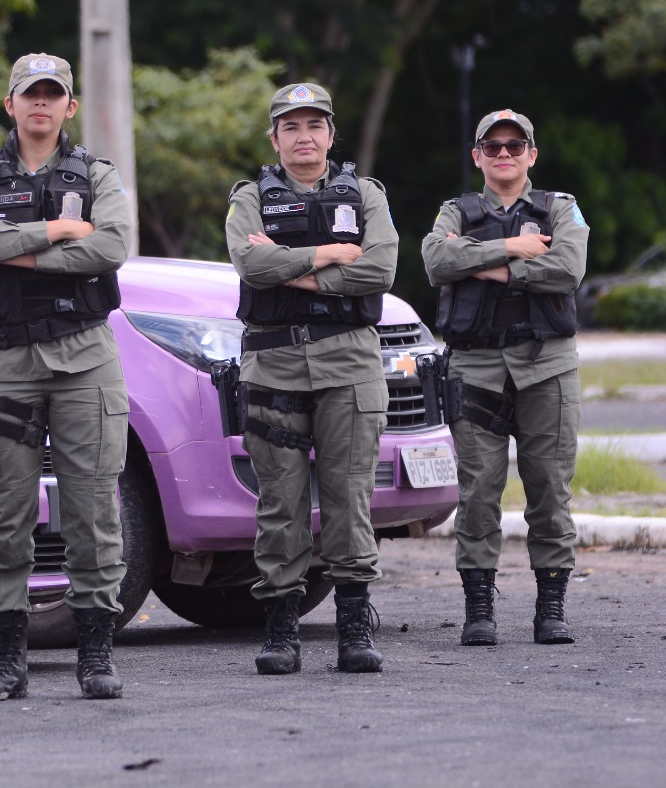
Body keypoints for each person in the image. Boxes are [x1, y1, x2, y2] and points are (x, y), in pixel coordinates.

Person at [0, 53, 133, 701]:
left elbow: (110, 248)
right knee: (3, 510)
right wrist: (57, 231)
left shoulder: (98, 175)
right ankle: (5, 658)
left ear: (69, 107)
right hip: (1, 359)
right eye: (31, 94)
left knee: (92, 508)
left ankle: (95, 653)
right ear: (11, 104)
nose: (41, 105)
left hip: (85, 355)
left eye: (53, 95)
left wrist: (11, 249)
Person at [224, 82, 395, 675]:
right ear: (275, 138)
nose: (304, 136)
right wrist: (328, 255)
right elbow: (250, 262)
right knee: (281, 500)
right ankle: (280, 629)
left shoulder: (365, 194)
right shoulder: (250, 198)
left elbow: (380, 269)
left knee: (351, 497)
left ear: (330, 134)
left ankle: (353, 627)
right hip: (273, 363)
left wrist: (293, 270)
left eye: (315, 125)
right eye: (291, 127)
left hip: (348, 362)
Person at [420, 109, 588, 646]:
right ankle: (479, 610)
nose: (504, 154)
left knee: (549, 488)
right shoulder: (456, 210)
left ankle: (552, 608)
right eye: (492, 147)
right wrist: (511, 248)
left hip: (548, 366)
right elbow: (434, 258)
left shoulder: (560, 208)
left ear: (532, 154)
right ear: (478, 157)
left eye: (516, 146)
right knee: (477, 491)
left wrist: (487, 267)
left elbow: (568, 269)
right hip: (476, 366)